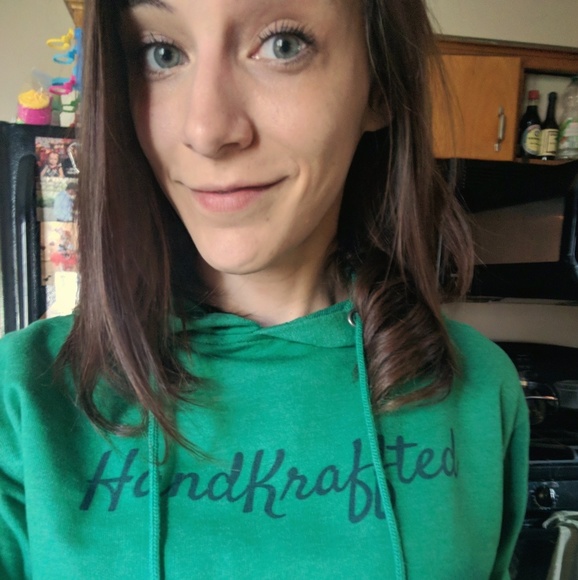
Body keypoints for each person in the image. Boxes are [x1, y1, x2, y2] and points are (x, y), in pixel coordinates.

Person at [0, 0, 529, 578]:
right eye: (161, 53)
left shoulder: (480, 389)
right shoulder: (24, 398)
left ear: (380, 86)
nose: (206, 130)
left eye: (283, 45)